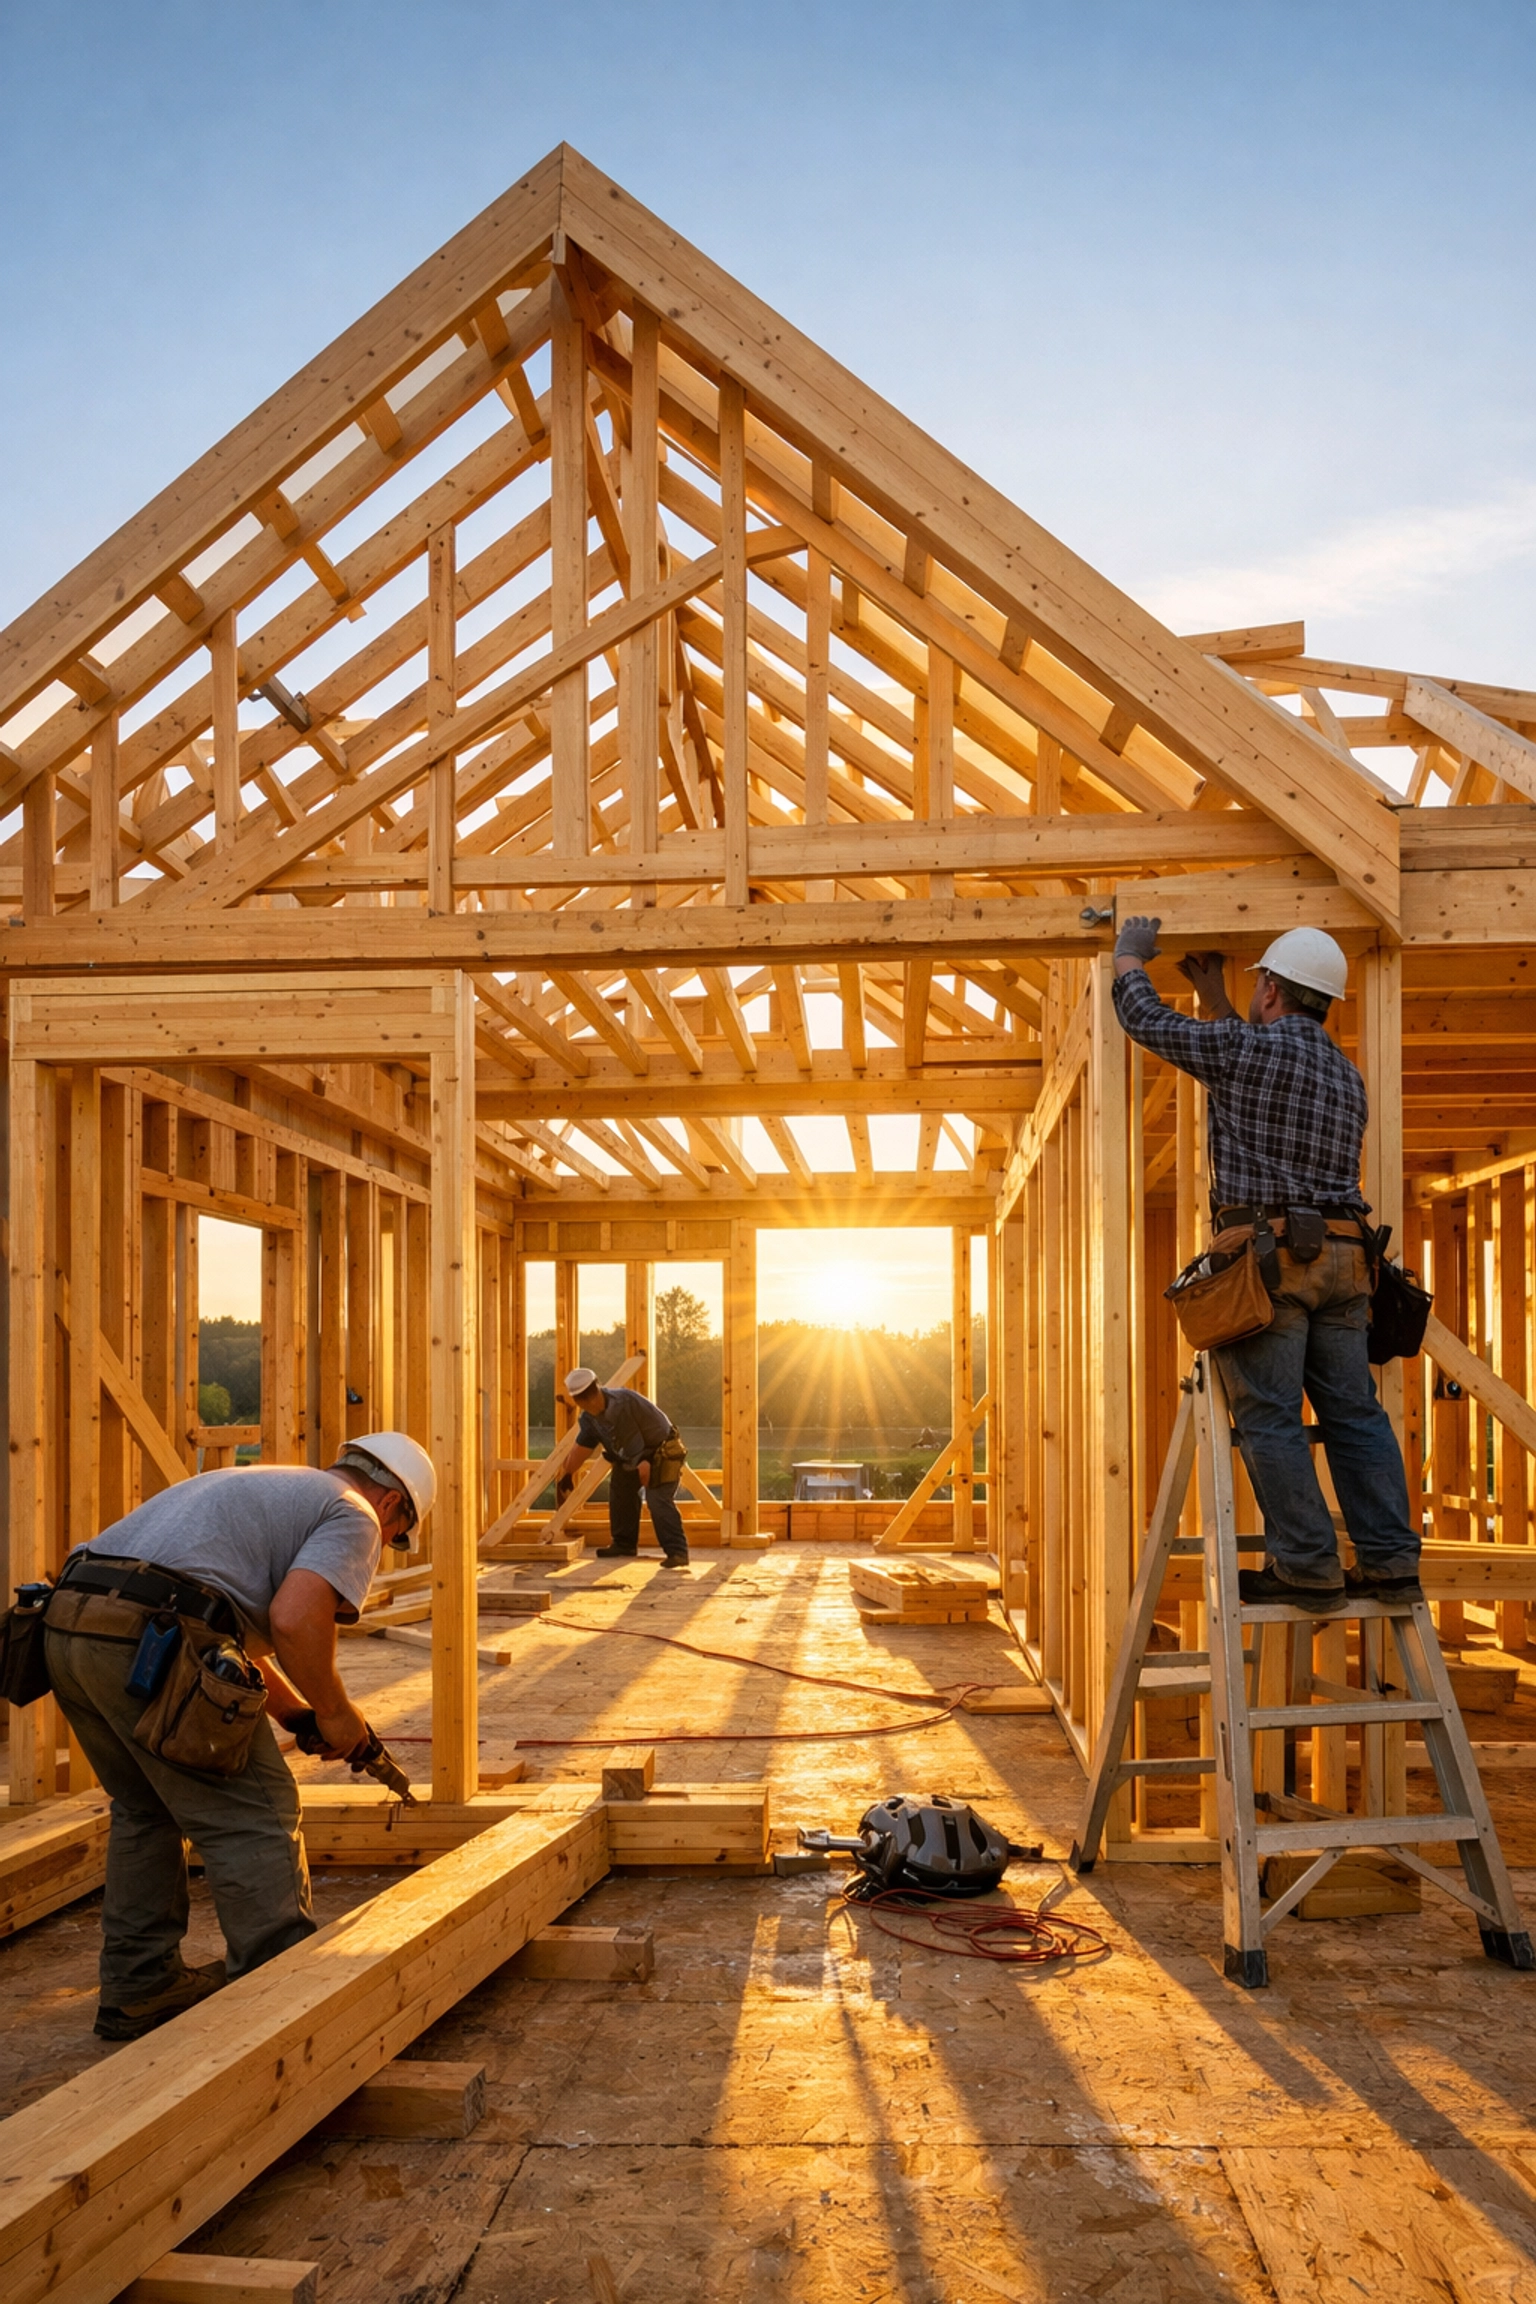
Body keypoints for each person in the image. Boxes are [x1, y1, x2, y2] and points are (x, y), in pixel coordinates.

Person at [41, 1431, 435, 2040]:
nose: (382, 1547)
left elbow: (221, 1623)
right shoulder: (354, 1513)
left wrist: (294, 1714)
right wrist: (335, 1711)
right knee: (256, 1814)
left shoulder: (272, 1487)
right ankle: (283, 2011)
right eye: (395, 1537)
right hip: (156, 1635)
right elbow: (294, 1618)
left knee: (146, 1808)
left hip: (69, 1626)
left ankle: (140, 1987)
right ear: (392, 1506)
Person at [1112, 917, 1421, 1612]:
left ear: (1274, 990)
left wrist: (1130, 955)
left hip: (1272, 1265)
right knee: (1354, 1415)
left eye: (1259, 989)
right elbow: (1253, 1064)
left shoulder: (1242, 1051)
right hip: (1348, 1265)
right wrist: (1218, 995)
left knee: (1270, 1416)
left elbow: (1146, 1019)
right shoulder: (1347, 1078)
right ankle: (1391, 1562)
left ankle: (1309, 1566)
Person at [561, 1368, 690, 1568]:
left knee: (657, 1499)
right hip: (631, 1456)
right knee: (621, 1492)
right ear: (579, 1402)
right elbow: (581, 1448)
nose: (590, 1404)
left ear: (597, 1390)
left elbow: (635, 1442)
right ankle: (624, 1544)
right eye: (584, 1402)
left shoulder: (622, 1404)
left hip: (661, 1451)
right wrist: (568, 1473)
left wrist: (645, 1462)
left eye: (591, 1398)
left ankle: (677, 1552)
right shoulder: (589, 1418)